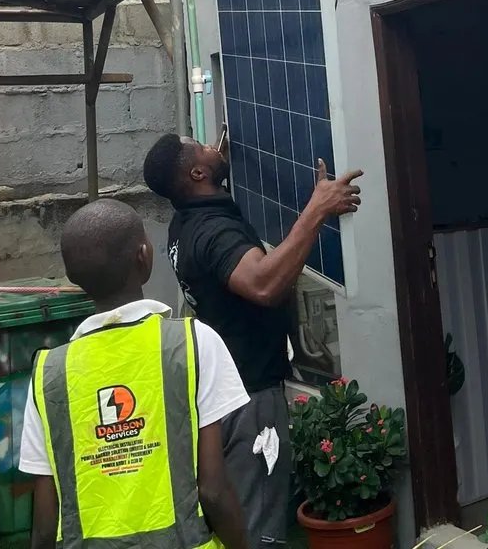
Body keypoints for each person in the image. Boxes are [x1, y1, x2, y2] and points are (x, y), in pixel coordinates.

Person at [143, 134, 362, 548]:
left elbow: (203, 170)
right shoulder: (212, 232)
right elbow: (263, 284)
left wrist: (214, 160)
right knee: (256, 519)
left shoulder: (186, 219)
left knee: (232, 510)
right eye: (200, 147)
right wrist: (317, 208)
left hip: (224, 388)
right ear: (197, 173)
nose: (211, 146)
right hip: (250, 398)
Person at [18, 198, 251, 549]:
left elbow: (45, 523)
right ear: (144, 257)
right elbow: (214, 491)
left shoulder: (49, 373)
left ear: (71, 277)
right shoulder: (192, 343)